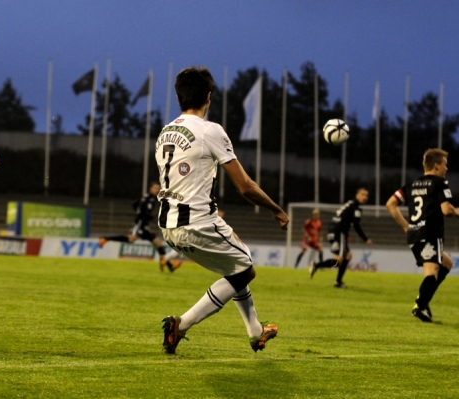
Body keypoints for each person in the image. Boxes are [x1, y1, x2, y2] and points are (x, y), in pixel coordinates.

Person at [156, 66, 289, 354]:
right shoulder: (210, 130)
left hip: (168, 225)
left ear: (178, 98)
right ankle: (181, 325)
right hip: (198, 222)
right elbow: (245, 186)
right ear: (209, 97)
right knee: (245, 270)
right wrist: (276, 209)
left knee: (236, 265)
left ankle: (255, 332)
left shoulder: (165, 133)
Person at [386, 148, 457, 322]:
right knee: (432, 272)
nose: (446, 169)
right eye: (445, 165)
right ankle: (419, 305)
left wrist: (405, 226)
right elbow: (446, 210)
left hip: (414, 234)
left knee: (446, 263)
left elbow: (390, 204)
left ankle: (424, 299)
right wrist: (456, 210)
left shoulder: (412, 184)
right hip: (430, 233)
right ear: (436, 165)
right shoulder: (440, 183)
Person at [99, 181, 181, 272]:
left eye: (158, 188)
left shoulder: (148, 197)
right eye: (155, 188)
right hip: (140, 224)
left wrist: (142, 214)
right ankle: (105, 239)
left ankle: (168, 264)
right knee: (133, 239)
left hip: (143, 224)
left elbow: (135, 205)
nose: (157, 190)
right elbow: (144, 211)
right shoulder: (149, 199)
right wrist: (150, 218)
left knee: (156, 242)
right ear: (151, 189)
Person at [308, 187, 373, 287]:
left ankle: (318, 266)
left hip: (333, 231)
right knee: (347, 256)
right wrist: (365, 238)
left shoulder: (350, 204)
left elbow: (343, 218)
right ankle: (336, 281)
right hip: (339, 233)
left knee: (338, 261)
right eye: (362, 194)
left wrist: (346, 234)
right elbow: (356, 225)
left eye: (366, 195)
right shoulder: (356, 207)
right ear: (357, 195)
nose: (364, 197)